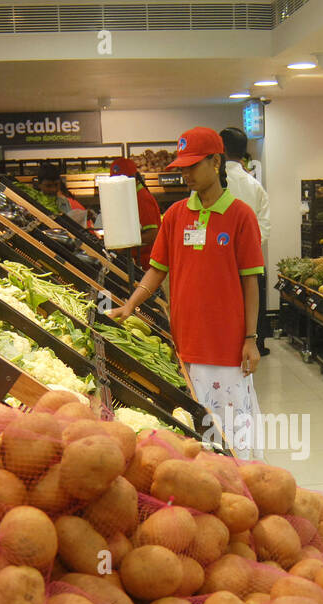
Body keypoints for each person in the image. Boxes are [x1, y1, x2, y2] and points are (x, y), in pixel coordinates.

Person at [107, 127, 265, 458]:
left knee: (234, 438)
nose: (186, 174)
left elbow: (251, 281)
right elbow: (157, 268)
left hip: (227, 348)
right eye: (182, 167)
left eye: (193, 166)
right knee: (199, 438)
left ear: (216, 162)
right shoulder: (176, 215)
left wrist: (251, 337)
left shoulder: (241, 216)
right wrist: (130, 305)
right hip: (186, 345)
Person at [219, 127, 272, 356]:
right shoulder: (255, 186)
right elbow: (264, 227)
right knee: (253, 305)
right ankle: (254, 344)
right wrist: (247, 250)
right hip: (252, 262)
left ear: (220, 150)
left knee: (224, 309)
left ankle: (228, 345)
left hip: (219, 263)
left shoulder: (213, 185)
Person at [108, 156, 162, 271]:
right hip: (137, 263)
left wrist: (125, 244)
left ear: (134, 179)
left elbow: (153, 234)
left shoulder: (142, 198)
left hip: (148, 265)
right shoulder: (131, 196)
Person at [33, 163, 92, 227]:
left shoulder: (64, 202)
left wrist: (83, 217)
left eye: (56, 185)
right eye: (48, 186)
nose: (53, 189)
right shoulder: (34, 202)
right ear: (39, 184)